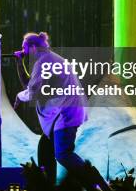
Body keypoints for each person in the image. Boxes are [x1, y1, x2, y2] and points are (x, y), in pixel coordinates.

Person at [12, 32, 87, 180]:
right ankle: (49, 190)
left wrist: (19, 97)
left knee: (63, 155)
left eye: (24, 47)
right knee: (45, 148)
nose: (22, 50)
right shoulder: (47, 59)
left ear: (32, 47)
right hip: (63, 113)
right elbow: (30, 85)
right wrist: (19, 62)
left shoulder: (44, 62)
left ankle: (96, 185)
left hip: (65, 114)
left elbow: (32, 92)